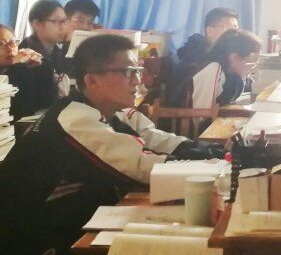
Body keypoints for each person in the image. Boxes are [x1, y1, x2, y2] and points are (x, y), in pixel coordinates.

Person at [0, 34, 223, 255]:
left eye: (138, 70)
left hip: (73, 221)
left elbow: (157, 139)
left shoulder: (113, 110)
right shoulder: (75, 119)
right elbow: (142, 167)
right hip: (31, 239)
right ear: (92, 81)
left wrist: (216, 153)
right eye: (127, 72)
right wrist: (217, 169)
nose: (137, 80)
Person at [7, 0, 71, 118]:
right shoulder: (25, 57)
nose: (63, 27)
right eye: (56, 22)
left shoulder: (59, 53)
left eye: (64, 21)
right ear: (37, 24)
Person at [175, 29, 262, 111]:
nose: (253, 67)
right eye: (251, 62)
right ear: (235, 57)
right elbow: (201, 114)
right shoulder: (213, 70)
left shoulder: (233, 76)